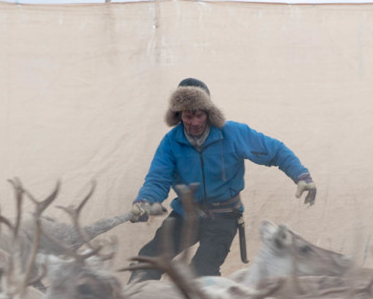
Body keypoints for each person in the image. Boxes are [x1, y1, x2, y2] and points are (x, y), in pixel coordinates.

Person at [127, 78, 317, 283]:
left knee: (201, 273)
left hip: (224, 216)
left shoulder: (233, 133)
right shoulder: (171, 143)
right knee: (146, 263)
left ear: (209, 113)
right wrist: (145, 201)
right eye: (188, 116)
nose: (194, 122)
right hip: (186, 214)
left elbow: (276, 151)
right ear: (178, 115)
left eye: (199, 114)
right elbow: (158, 178)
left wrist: (301, 175)